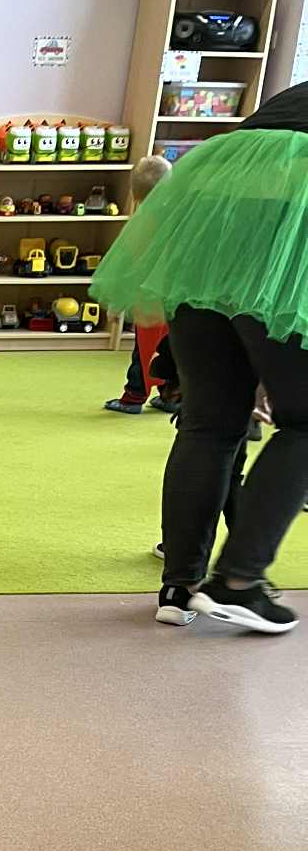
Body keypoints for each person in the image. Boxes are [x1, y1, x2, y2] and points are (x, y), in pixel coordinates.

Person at [92, 80, 308, 633]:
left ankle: (180, 586)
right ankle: (239, 582)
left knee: (208, 424)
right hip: (287, 226)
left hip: (209, 211)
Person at [105, 155, 174, 416]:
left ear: (136, 196)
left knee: (144, 352)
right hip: (177, 299)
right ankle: (171, 396)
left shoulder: (144, 225)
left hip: (150, 300)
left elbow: (126, 269)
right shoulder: (184, 217)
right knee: (173, 350)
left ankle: (134, 396)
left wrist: (116, 304)